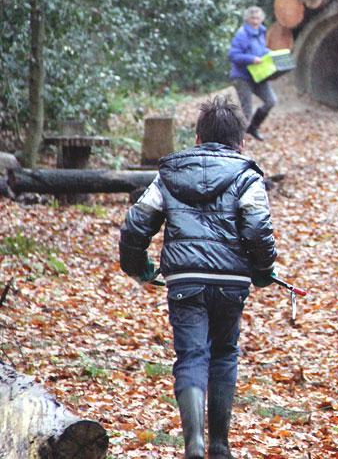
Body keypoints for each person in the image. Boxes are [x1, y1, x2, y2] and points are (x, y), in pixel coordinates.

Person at [119, 96, 278, 459]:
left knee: (191, 356)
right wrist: (264, 271)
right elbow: (257, 228)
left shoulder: (169, 175)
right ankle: (220, 446)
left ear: (197, 138)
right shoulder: (247, 175)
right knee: (223, 353)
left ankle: (194, 444)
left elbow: (136, 224)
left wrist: (137, 266)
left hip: (185, 281)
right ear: (241, 141)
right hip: (231, 282)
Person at [229, 6, 277, 141]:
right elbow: (233, 55)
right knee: (246, 110)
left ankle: (253, 128)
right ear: (247, 19)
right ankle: (235, 139)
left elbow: (260, 50)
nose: (256, 20)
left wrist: (269, 54)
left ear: (262, 19)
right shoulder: (242, 34)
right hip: (242, 76)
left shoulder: (261, 32)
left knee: (271, 101)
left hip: (259, 75)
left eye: (258, 17)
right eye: (252, 18)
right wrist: (251, 59)